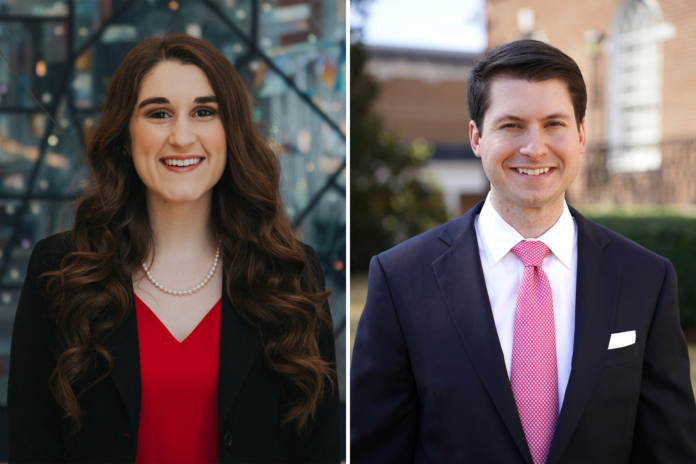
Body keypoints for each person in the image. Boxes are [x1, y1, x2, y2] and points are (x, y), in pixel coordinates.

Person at [351, 39, 696, 463]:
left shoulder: (648, 278)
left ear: (582, 135)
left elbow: (670, 451)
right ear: (477, 138)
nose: (534, 148)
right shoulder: (401, 279)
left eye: (554, 124)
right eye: (511, 125)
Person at [8, 33, 340, 463]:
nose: (182, 137)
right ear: (125, 136)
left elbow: (318, 446)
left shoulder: (291, 273)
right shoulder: (59, 270)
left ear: (231, 132)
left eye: (204, 112)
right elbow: (33, 443)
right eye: (158, 113)